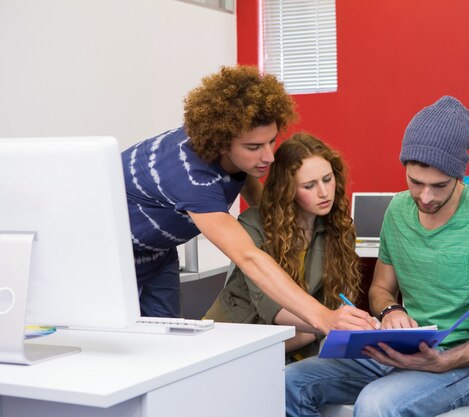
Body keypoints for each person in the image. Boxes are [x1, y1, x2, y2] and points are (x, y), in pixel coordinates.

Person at [285, 96, 469, 417]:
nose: (425, 197)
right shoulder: (398, 209)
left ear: (459, 176)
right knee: (290, 381)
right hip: (400, 352)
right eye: (415, 182)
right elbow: (380, 289)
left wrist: (444, 361)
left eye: (439, 186)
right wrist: (391, 310)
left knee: (376, 402)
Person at [122, 65, 377, 335]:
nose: (268, 156)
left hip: (159, 253)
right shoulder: (192, 177)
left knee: (166, 344)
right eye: (254, 147)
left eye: (271, 141)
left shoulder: (236, 153)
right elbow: (248, 257)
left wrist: (287, 219)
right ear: (221, 143)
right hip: (114, 257)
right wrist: (323, 317)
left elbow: (258, 198)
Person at [204, 132, 362, 359]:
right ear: (287, 190)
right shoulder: (253, 224)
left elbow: (338, 302)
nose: (324, 192)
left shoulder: (340, 228)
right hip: (229, 340)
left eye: (327, 179)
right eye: (309, 185)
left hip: (293, 343)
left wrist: (336, 321)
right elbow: (273, 308)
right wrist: (328, 322)